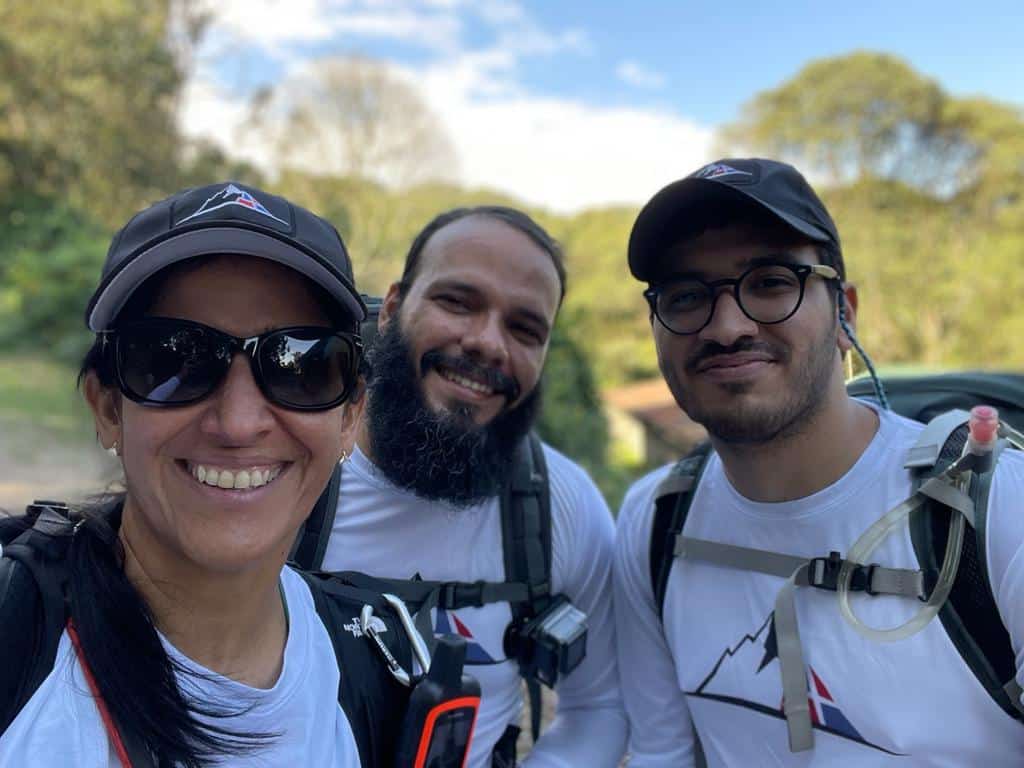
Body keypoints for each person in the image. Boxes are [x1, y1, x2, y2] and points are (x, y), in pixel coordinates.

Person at [613, 158, 1024, 765]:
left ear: (844, 314)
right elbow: (662, 753)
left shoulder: (999, 509)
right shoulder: (654, 519)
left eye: (772, 282)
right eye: (686, 295)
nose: (727, 327)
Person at [0, 182, 407, 766]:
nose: (238, 423)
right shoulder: (17, 648)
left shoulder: (374, 675)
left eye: (301, 365)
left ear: (348, 418)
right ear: (108, 409)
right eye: (174, 359)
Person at [316, 206, 628, 767]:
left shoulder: (561, 503)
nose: (488, 343)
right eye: (457, 302)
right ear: (391, 310)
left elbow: (602, 706)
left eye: (525, 329)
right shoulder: (291, 471)